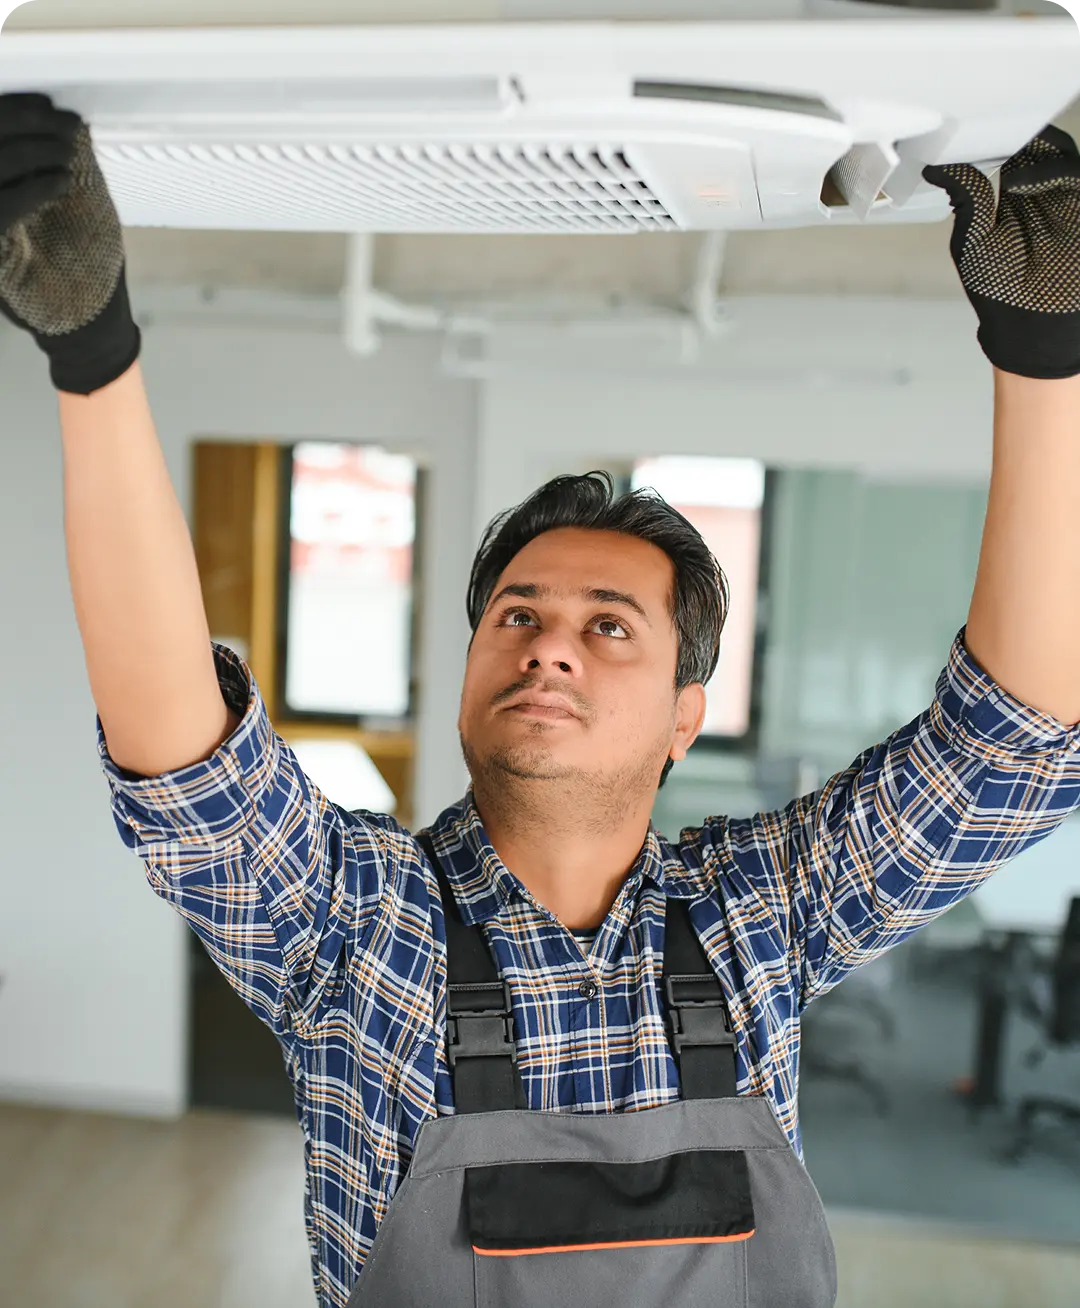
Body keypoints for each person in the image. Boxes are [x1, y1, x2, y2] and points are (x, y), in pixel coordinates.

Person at [2, 90, 1079, 1308]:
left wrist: (1046, 357)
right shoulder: (362, 930)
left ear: (686, 716)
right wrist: (94, 356)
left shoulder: (761, 920)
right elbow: (188, 763)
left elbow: (1012, 742)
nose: (548, 647)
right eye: (517, 615)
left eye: (607, 627)